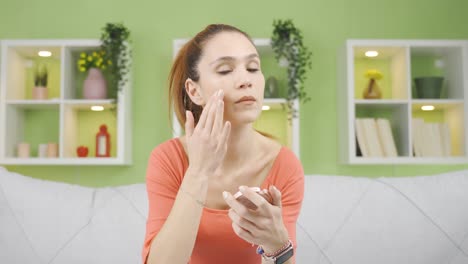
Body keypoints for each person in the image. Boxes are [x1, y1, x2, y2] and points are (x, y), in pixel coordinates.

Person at [142, 24, 304, 264]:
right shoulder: (168, 159)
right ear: (194, 91)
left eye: (253, 68)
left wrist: (278, 246)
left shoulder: (284, 164)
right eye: (226, 70)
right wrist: (198, 172)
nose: (245, 80)